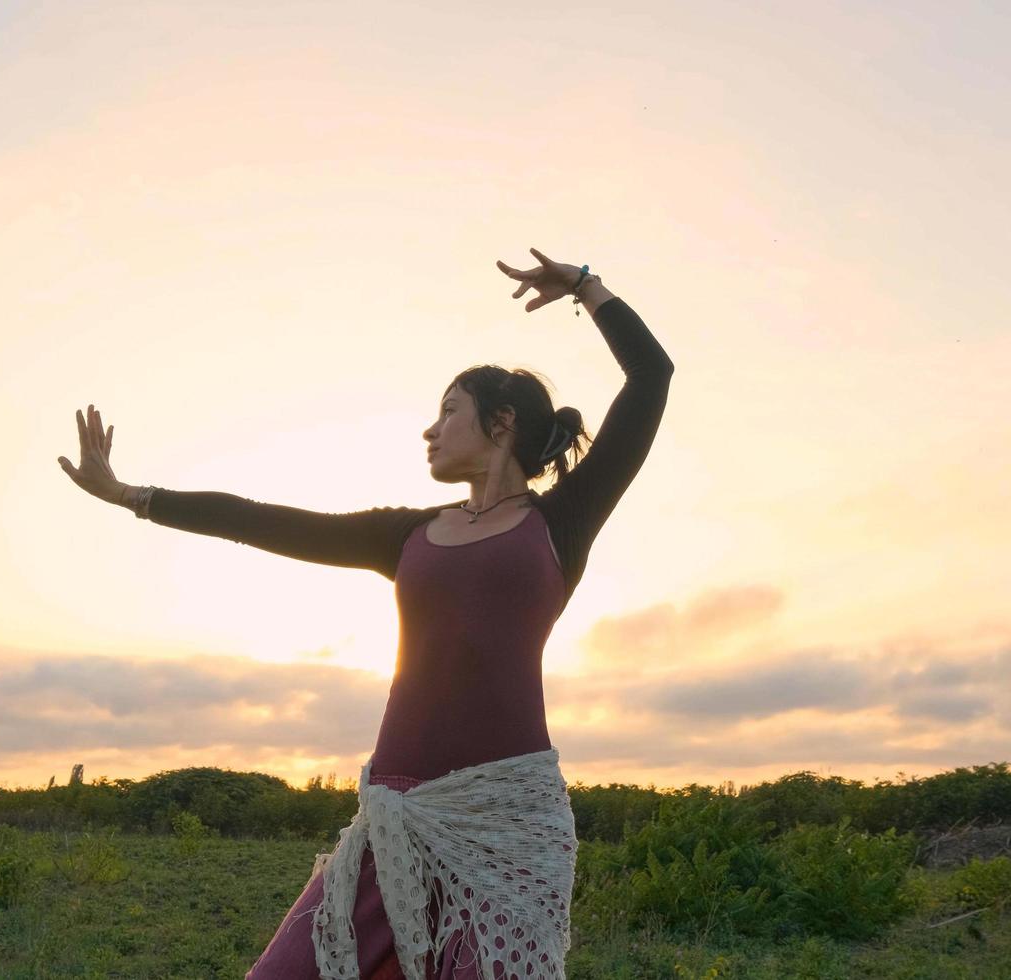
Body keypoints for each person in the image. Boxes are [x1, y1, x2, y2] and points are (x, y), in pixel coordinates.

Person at [58, 247, 675, 979]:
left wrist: (582, 284)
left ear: (501, 422)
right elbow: (264, 520)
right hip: (392, 820)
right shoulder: (408, 534)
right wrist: (134, 495)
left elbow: (651, 377)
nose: (431, 429)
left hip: (505, 824)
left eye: (449, 410)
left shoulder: (560, 522)